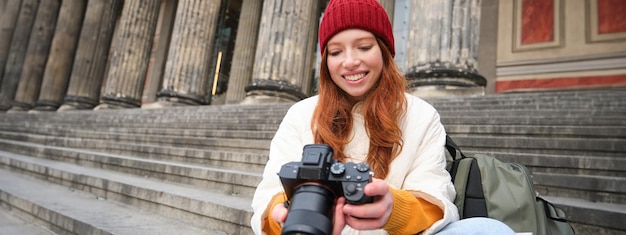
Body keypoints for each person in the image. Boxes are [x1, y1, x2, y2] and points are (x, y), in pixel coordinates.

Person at [251, 0, 515, 234]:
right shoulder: (301, 114)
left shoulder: (421, 116)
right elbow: (269, 194)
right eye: (335, 52)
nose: (350, 61)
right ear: (325, 62)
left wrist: (394, 209)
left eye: (364, 47)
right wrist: (283, 218)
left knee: (488, 229)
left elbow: (437, 199)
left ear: (385, 51)